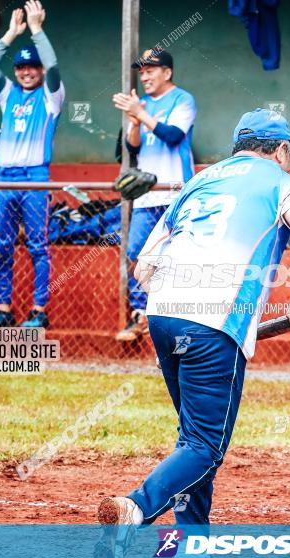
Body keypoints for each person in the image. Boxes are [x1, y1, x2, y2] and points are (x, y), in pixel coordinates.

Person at [93, 109, 290, 558]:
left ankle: (190, 550)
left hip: (162, 316)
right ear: (280, 150)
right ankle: (134, 509)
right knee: (205, 444)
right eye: (288, 153)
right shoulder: (283, 182)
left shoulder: (200, 180)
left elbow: (145, 264)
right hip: (213, 323)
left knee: (193, 439)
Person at [0, 0, 64, 328]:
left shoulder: (50, 96)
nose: (27, 71)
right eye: (20, 67)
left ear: (39, 70)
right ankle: (3, 310)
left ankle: (39, 312)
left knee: (37, 245)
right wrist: (11, 34)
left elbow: (54, 66)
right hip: (5, 177)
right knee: (1, 245)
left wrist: (37, 30)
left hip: (35, 176)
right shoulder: (8, 93)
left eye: (32, 67)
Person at [112, 48, 197, 342]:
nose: (145, 76)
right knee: (136, 252)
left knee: (176, 258)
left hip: (176, 193)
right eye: (142, 71)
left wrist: (140, 114)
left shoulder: (183, 99)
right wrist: (134, 122)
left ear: (167, 73)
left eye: (151, 70)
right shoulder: (142, 104)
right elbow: (130, 149)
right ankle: (142, 314)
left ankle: (174, 317)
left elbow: (173, 135)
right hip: (147, 196)